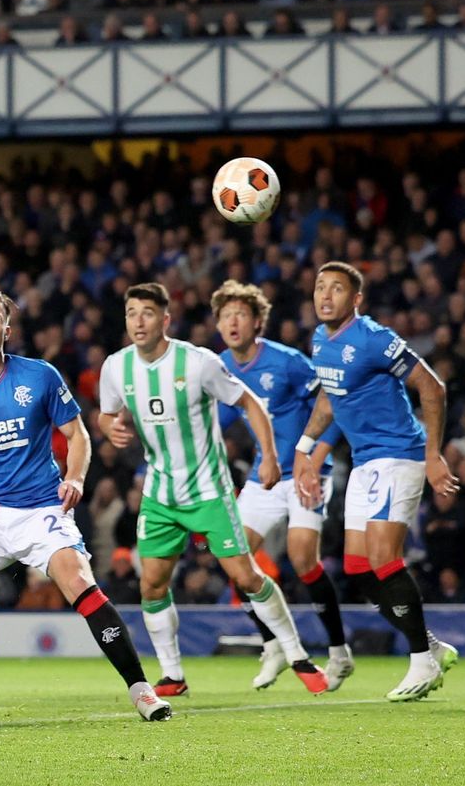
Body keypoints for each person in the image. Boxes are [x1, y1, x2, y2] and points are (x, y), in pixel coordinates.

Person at [0, 291, 170, 723]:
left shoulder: (39, 376)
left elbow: (78, 436)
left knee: (78, 580)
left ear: (7, 329)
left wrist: (75, 478)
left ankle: (142, 691)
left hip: (42, 508)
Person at [98, 282, 327, 698]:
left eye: (148, 312)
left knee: (245, 576)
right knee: (151, 584)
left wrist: (272, 457)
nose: (138, 321)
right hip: (160, 494)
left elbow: (250, 403)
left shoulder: (197, 361)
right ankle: (173, 675)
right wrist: (109, 427)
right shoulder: (116, 366)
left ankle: (297, 655)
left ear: (165, 320)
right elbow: (106, 414)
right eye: (132, 312)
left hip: (208, 489)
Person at [295, 261, 461, 702]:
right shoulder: (319, 341)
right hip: (365, 463)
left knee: (385, 558)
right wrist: (306, 449)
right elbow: (331, 399)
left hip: (399, 456)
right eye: (319, 287)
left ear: (356, 299)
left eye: (336, 289)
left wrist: (432, 455)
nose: (325, 295)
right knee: (358, 569)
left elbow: (433, 386)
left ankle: (421, 661)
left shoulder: (374, 338)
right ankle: (430, 645)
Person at [210, 280, 352, 690]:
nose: (233, 322)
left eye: (241, 314)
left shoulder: (288, 362)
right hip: (264, 477)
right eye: (225, 316)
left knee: (302, 557)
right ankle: (272, 644)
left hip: (307, 472)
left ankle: (339, 652)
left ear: (258, 322)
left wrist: (315, 460)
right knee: (233, 559)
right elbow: (218, 423)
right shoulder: (221, 366)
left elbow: (333, 406)